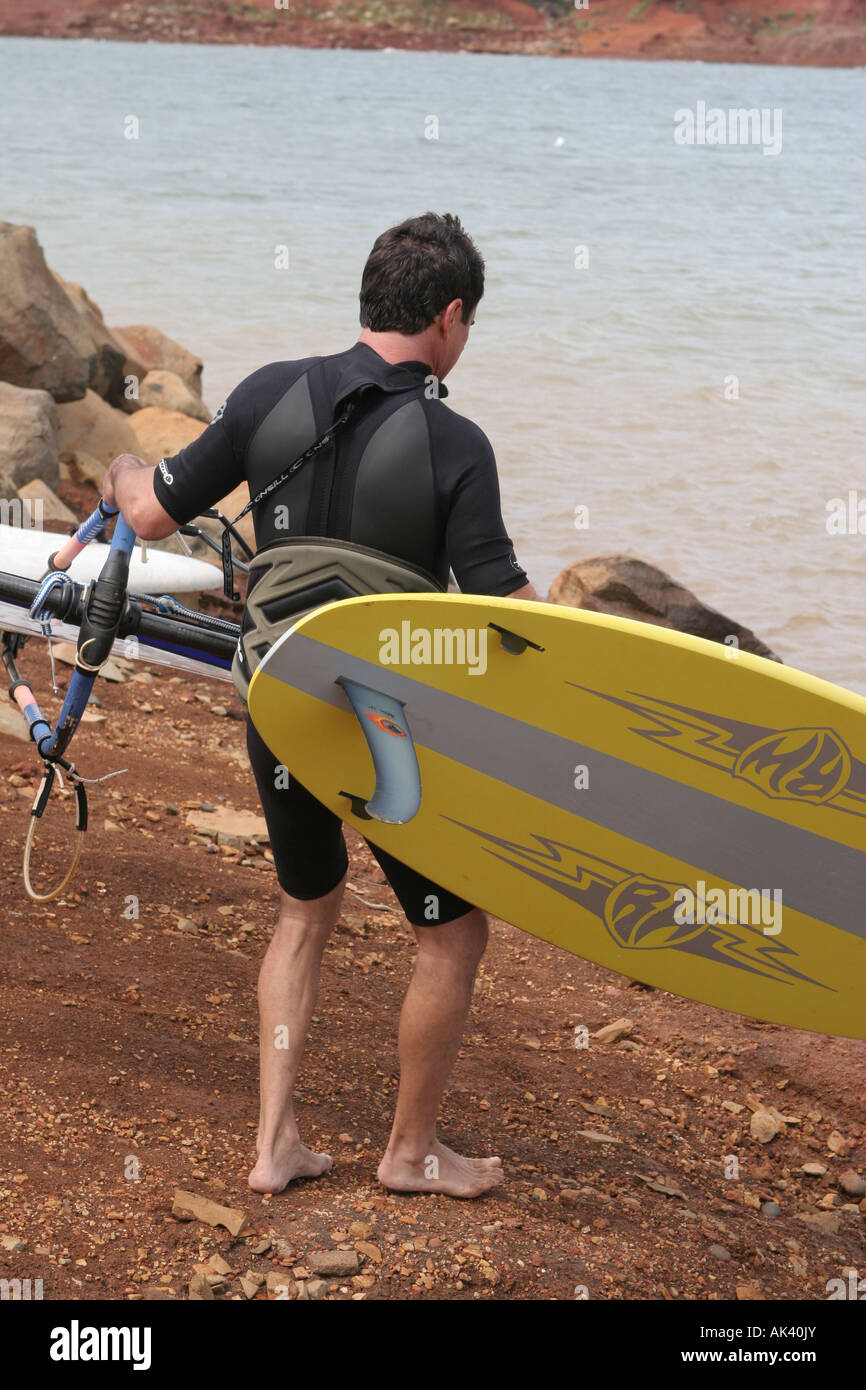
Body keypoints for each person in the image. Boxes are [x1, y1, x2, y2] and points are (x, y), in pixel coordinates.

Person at [103, 212, 538, 1199]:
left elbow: (147, 512)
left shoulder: (268, 392)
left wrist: (127, 469)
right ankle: (410, 1151)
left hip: (280, 701)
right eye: (466, 326)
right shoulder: (454, 442)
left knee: (305, 909)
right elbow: (510, 619)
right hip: (386, 724)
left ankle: (274, 1147)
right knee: (449, 933)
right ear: (450, 315)